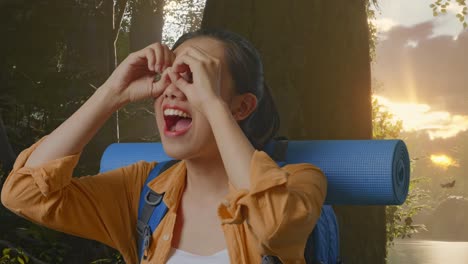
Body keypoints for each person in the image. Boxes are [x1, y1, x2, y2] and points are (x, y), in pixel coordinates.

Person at [1, 28, 327, 264]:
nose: (172, 90)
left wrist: (212, 105)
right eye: (170, 77)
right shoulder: (141, 191)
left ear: (241, 107)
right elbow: (24, 194)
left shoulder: (302, 181)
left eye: (194, 78)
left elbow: (273, 224)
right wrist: (110, 94)